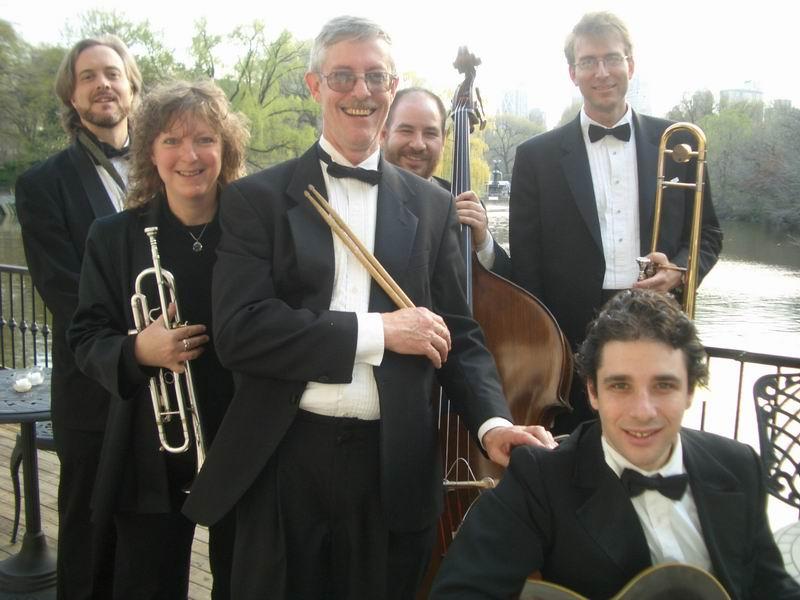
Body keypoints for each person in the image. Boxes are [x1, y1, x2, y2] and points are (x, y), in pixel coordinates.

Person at [181, 15, 555, 600]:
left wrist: (493, 423)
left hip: (395, 466)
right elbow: (240, 332)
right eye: (343, 76)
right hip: (282, 459)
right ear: (314, 86)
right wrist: (378, 331)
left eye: (375, 76)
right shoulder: (256, 200)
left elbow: (458, 334)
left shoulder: (431, 207)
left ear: (393, 83)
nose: (361, 91)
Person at [431, 289, 800, 599]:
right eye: (620, 385)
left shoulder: (738, 464)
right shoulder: (541, 479)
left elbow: (771, 587)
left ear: (691, 391)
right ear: (592, 392)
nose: (642, 411)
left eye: (664, 385)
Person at [67, 80, 248, 599]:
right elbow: (84, 337)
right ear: (150, 151)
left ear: (225, 150)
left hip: (242, 440)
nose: (188, 156)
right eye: (171, 141)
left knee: (243, 585)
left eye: (205, 140)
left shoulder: (256, 229)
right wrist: (138, 350)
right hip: (151, 452)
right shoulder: (113, 237)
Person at [509, 12, 723, 434]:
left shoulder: (679, 144)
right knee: (574, 456)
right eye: (588, 62)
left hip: (657, 327)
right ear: (572, 73)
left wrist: (678, 272)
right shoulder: (537, 156)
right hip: (569, 339)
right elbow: (527, 263)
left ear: (631, 64)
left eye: (612, 59)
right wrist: (545, 349)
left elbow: (709, 233)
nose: (601, 72)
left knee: (650, 443)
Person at [14, 34, 142, 599]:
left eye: (112, 73)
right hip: (95, 389)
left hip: (176, 387)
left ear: (133, 88)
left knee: (155, 539)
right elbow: (67, 294)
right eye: (88, 76)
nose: (102, 85)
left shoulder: (173, 164)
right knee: (90, 538)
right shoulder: (42, 184)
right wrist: (143, 346)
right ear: (71, 94)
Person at [381, 87, 511, 276]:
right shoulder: (360, 196)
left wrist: (483, 243)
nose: (418, 144)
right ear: (383, 135)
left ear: (443, 141)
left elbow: (507, 290)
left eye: (430, 133)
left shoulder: (463, 203)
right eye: (406, 130)